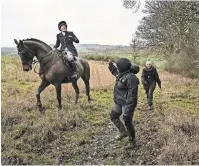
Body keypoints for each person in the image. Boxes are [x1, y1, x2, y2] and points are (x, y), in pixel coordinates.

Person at [108, 58, 139, 149]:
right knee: (113, 116)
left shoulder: (131, 77)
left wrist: (129, 108)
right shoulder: (121, 73)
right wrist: (110, 65)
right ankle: (123, 132)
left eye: (118, 66)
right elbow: (114, 71)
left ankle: (132, 141)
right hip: (119, 101)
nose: (117, 68)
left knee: (127, 121)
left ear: (122, 67)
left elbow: (132, 95)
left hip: (127, 103)